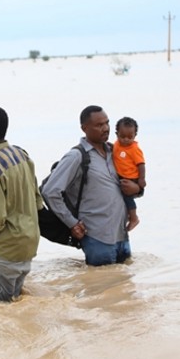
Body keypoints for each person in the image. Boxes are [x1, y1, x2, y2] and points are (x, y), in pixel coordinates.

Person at [42, 105, 139, 266]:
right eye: (99, 125)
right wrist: (72, 223)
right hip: (97, 238)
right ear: (84, 128)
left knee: (125, 287)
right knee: (101, 288)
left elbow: (133, 182)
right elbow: (50, 191)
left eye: (107, 123)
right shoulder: (77, 156)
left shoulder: (116, 152)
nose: (105, 128)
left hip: (122, 236)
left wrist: (137, 189)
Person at [0, 106, 43, 302]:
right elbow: (37, 199)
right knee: (16, 304)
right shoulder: (21, 154)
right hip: (29, 243)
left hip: (7, 247)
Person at [113, 116, 146, 231]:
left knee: (127, 197)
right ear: (117, 134)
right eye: (122, 136)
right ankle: (127, 215)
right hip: (121, 175)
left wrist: (141, 179)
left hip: (132, 178)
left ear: (135, 135)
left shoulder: (134, 148)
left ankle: (134, 218)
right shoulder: (116, 145)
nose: (126, 140)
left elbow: (141, 164)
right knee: (121, 196)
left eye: (130, 137)